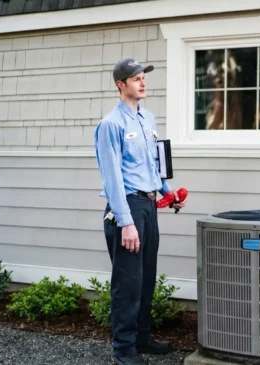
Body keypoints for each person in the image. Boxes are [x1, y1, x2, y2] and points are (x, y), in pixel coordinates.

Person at [94, 58, 186, 365]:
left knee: (145, 279)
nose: (142, 82)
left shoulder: (147, 119)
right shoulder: (111, 125)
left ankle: (142, 339)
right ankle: (124, 352)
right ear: (121, 85)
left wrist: (167, 192)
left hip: (149, 206)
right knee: (128, 284)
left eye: (143, 77)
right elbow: (112, 178)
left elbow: (151, 165)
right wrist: (126, 222)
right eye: (135, 78)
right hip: (127, 208)